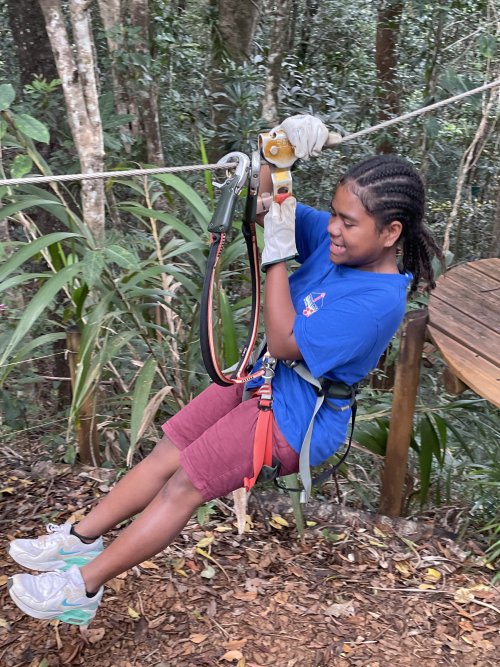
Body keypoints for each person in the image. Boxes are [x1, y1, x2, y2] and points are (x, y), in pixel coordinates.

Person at [6, 115, 443, 626]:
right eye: (334, 214)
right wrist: (279, 151)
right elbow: (264, 206)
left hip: (296, 415)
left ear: (391, 233)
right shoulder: (340, 248)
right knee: (168, 451)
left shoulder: (378, 301)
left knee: (184, 485)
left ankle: (82, 586)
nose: (332, 228)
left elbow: (284, 340)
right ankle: (79, 539)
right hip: (264, 381)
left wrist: (277, 255)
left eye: (348, 222)